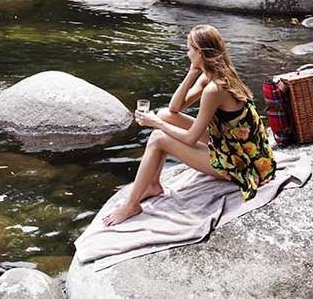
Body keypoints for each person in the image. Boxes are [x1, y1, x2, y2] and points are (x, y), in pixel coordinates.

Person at [102, 24, 276, 226]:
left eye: (189, 49)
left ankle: (131, 204)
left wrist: (154, 123)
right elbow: (174, 108)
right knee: (165, 115)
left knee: (157, 137)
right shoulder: (216, 74)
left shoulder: (214, 89)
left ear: (200, 53)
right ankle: (152, 185)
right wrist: (192, 73)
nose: (186, 53)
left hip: (242, 163)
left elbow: (191, 138)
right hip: (235, 145)